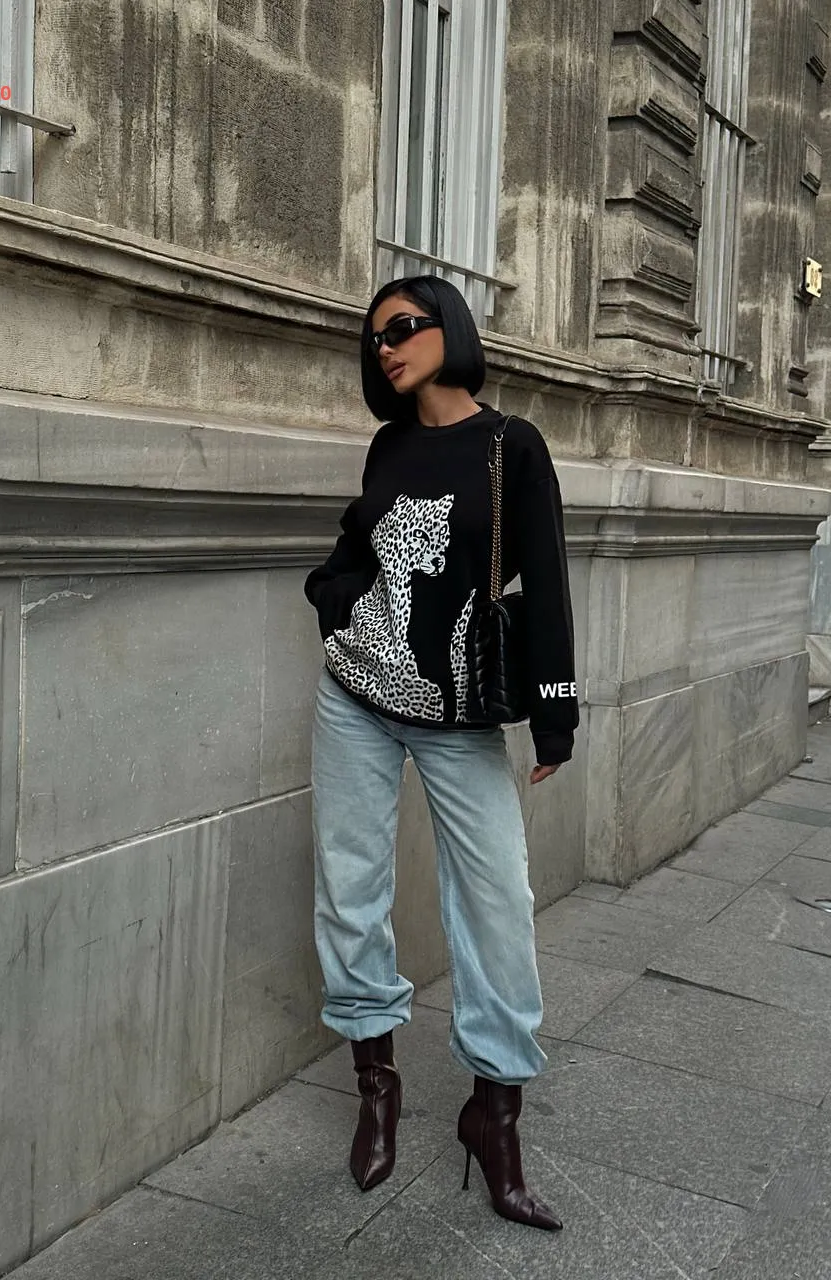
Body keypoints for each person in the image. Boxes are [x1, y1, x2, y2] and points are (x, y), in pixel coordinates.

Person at [303, 274, 579, 1231]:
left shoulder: (512, 445)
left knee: (497, 900)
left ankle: (493, 1118)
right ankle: (376, 1090)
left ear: (450, 330)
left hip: (459, 718)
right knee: (351, 887)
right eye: (375, 337)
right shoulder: (388, 445)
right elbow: (356, 548)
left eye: (404, 328)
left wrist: (555, 714)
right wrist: (335, 600)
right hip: (355, 697)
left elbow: (546, 578)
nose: (386, 347)